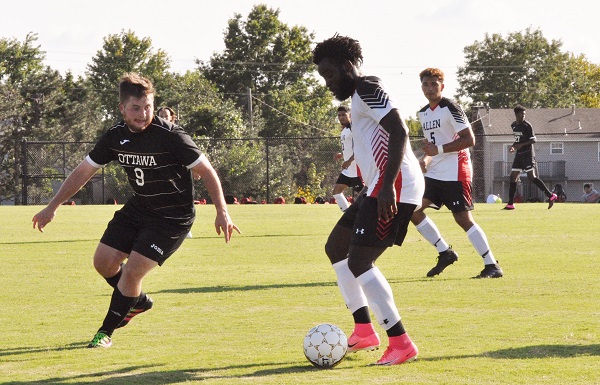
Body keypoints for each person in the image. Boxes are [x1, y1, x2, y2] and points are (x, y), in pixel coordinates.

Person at [32, 73, 240, 349]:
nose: (143, 114)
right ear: (122, 108)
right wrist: (52, 206)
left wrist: (222, 212)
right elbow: (83, 172)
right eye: (136, 108)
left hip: (172, 217)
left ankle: (104, 332)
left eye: (148, 107)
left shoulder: (172, 136)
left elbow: (208, 172)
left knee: (131, 273)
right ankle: (136, 301)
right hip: (139, 208)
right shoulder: (115, 137)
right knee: (103, 262)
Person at [314, 34, 425, 366]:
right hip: (379, 186)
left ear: (348, 67)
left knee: (360, 261)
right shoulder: (363, 94)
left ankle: (401, 341)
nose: (328, 83)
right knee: (336, 247)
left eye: (330, 74)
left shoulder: (366, 89)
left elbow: (400, 131)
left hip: (395, 186)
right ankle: (364, 330)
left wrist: (387, 186)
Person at [411, 68, 503, 279]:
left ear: (442, 86)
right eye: (426, 84)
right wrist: (425, 160)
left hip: (456, 170)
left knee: (462, 218)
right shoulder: (423, 112)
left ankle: (492, 265)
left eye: (435, 84)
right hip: (435, 171)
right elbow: (432, 146)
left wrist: (439, 150)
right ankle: (445, 252)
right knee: (412, 210)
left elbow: (470, 140)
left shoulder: (451, 107)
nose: (430, 88)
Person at [504, 105, 557, 210]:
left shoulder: (527, 125)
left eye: (524, 114)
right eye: (521, 114)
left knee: (531, 177)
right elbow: (518, 140)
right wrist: (514, 146)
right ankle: (510, 204)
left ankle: (550, 195)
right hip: (519, 155)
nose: (523, 116)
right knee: (513, 177)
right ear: (516, 114)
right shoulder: (513, 125)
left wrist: (521, 145)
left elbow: (533, 140)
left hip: (528, 154)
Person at [332, 105, 364, 211]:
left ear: (349, 115)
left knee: (364, 199)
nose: (341, 117)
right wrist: (342, 155)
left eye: (343, 115)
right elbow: (350, 147)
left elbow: (360, 148)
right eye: (339, 115)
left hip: (357, 171)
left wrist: (349, 161)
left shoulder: (353, 128)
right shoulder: (345, 130)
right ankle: (348, 216)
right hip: (348, 171)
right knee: (336, 193)